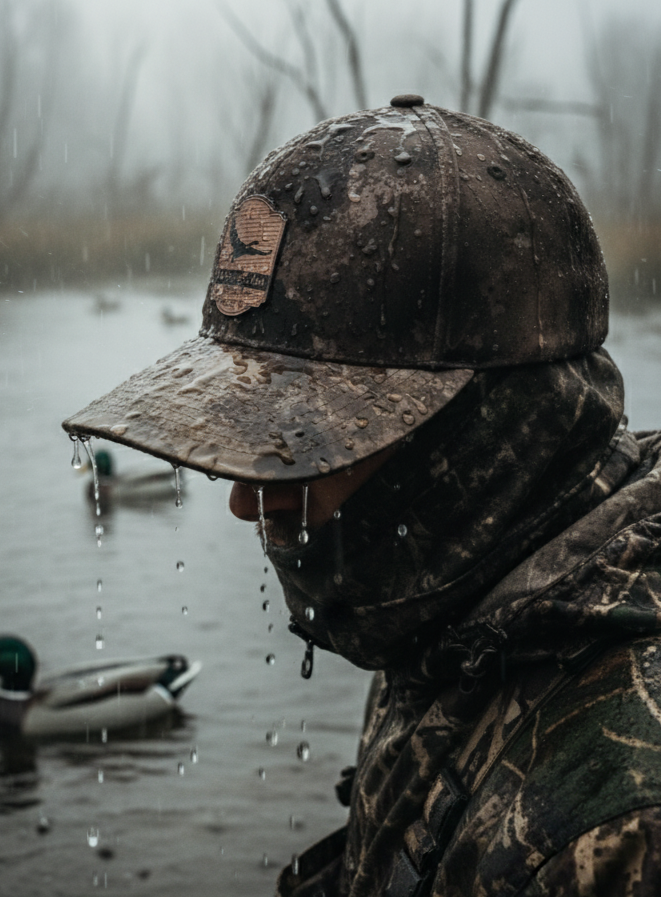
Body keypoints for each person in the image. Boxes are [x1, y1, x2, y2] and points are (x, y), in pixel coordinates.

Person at [64, 95, 661, 895]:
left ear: (482, 442)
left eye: (307, 440)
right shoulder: (457, 614)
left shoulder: (625, 828)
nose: (247, 500)